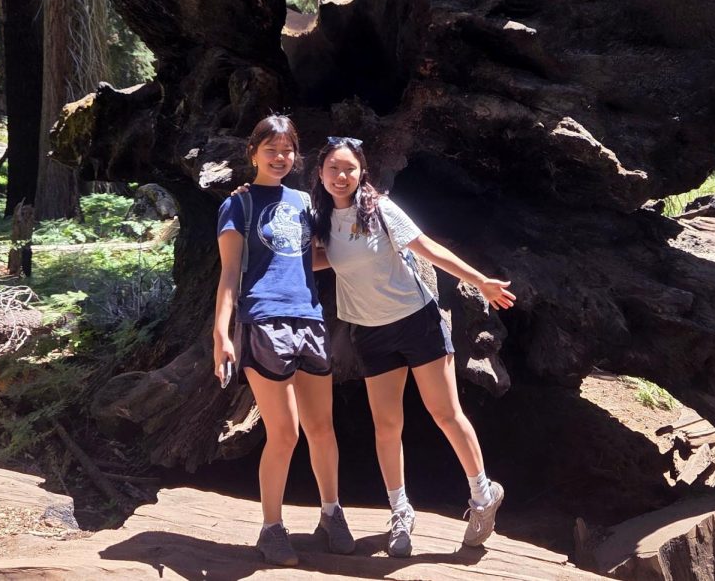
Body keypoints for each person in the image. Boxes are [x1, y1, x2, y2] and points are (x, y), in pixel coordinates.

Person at [310, 135, 517, 556]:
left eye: (349, 168)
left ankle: (483, 494)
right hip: (370, 332)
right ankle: (400, 512)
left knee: (444, 412)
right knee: (387, 426)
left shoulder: (380, 209)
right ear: (321, 173)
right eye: (333, 168)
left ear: (361, 171)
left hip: (417, 321)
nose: (341, 175)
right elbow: (323, 258)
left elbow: (428, 248)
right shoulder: (319, 220)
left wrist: (480, 281)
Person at [213, 116, 354, 566]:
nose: (280, 157)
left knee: (322, 428)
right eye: (271, 149)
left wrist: (363, 251)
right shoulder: (238, 205)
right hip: (263, 321)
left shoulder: (302, 202)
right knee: (285, 432)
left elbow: (305, 259)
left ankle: (331, 513)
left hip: (309, 319)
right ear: (252, 152)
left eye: (288, 150)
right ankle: (271, 527)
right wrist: (222, 333)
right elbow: (231, 273)